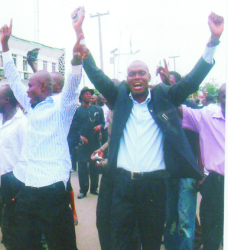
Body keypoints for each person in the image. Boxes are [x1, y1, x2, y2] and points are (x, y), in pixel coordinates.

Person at [76, 8, 223, 249]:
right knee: (121, 241)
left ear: (148, 78)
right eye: (132, 73)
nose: (137, 77)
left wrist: (213, 41)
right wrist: (80, 33)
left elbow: (191, 82)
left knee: (151, 241)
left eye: (142, 73)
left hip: (155, 186)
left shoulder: (163, 97)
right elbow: (97, 75)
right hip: (122, 185)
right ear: (127, 78)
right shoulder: (120, 98)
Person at [0, 16, 84, 249]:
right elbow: (14, 81)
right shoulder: (30, 107)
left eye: (31, 86)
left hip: (53, 188)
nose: (26, 89)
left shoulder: (61, 108)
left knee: (61, 244)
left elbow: (73, 83)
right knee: (24, 242)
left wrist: (77, 49)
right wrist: (5, 46)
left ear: (44, 87)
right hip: (28, 186)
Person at [155, 63, 202, 250]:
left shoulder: (190, 109)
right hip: (168, 172)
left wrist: (201, 169)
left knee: (186, 222)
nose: (169, 89)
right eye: (167, 85)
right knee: (170, 219)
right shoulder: (160, 109)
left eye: (173, 85)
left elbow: (199, 142)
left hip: (187, 172)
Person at [180, 83, 225, 250]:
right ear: (220, 98)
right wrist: (170, 87)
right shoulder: (207, 116)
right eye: (226, 96)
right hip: (216, 185)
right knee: (211, 238)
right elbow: (180, 110)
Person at [0, 84, 27, 250]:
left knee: (18, 229)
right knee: (6, 228)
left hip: (15, 182)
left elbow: (27, 157)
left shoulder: (22, 124)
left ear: (7, 100)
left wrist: (21, 188)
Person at [70, 87, 104, 199]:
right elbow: (73, 127)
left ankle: (94, 189)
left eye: (90, 94)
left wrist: (100, 126)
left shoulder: (98, 110)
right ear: (82, 97)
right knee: (83, 168)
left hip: (95, 143)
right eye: (86, 94)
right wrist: (79, 136)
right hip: (82, 144)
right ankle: (83, 190)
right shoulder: (77, 111)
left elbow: (103, 123)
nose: (89, 96)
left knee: (94, 166)